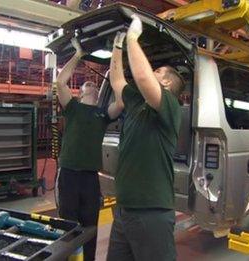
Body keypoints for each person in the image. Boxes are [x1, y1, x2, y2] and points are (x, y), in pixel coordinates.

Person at [106, 15, 185, 261]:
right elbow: (117, 80)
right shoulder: (138, 102)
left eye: (158, 71)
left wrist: (133, 38)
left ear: (166, 82)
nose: (152, 71)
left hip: (152, 212)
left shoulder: (170, 105)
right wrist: (118, 47)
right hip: (124, 209)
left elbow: (141, 77)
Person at [55, 38, 123, 261]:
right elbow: (61, 82)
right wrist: (78, 54)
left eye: (94, 83)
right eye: (87, 84)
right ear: (81, 91)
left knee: (90, 227)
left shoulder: (102, 114)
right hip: (69, 174)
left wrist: (117, 60)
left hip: (90, 178)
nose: (91, 84)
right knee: (68, 226)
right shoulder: (72, 107)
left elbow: (120, 103)